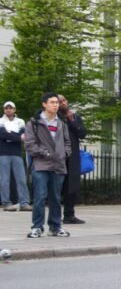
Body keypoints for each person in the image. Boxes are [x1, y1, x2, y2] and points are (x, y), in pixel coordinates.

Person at [25, 92, 71, 238]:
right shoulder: (34, 122)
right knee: (39, 197)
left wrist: (64, 153)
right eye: (52, 102)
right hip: (41, 165)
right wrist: (46, 153)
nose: (55, 105)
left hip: (58, 165)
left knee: (56, 198)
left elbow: (67, 142)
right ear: (44, 104)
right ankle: (37, 227)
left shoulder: (61, 123)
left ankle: (56, 227)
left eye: (57, 102)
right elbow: (30, 145)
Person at [58, 95, 88, 224]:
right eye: (59, 101)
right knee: (57, 186)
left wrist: (72, 120)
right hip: (59, 156)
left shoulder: (74, 117)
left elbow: (82, 134)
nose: (63, 103)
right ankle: (55, 216)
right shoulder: (54, 118)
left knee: (72, 186)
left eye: (64, 100)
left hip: (73, 156)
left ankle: (69, 215)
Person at [0, 101, 32, 212]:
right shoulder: (0, 121)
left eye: (11, 108)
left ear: (14, 109)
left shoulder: (20, 121)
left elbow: (24, 134)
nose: (8, 110)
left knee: (21, 179)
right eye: (6, 108)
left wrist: (10, 135)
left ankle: (24, 203)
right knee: (4, 179)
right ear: (4, 110)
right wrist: (17, 137)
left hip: (17, 153)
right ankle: (6, 203)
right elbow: (3, 134)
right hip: (3, 153)